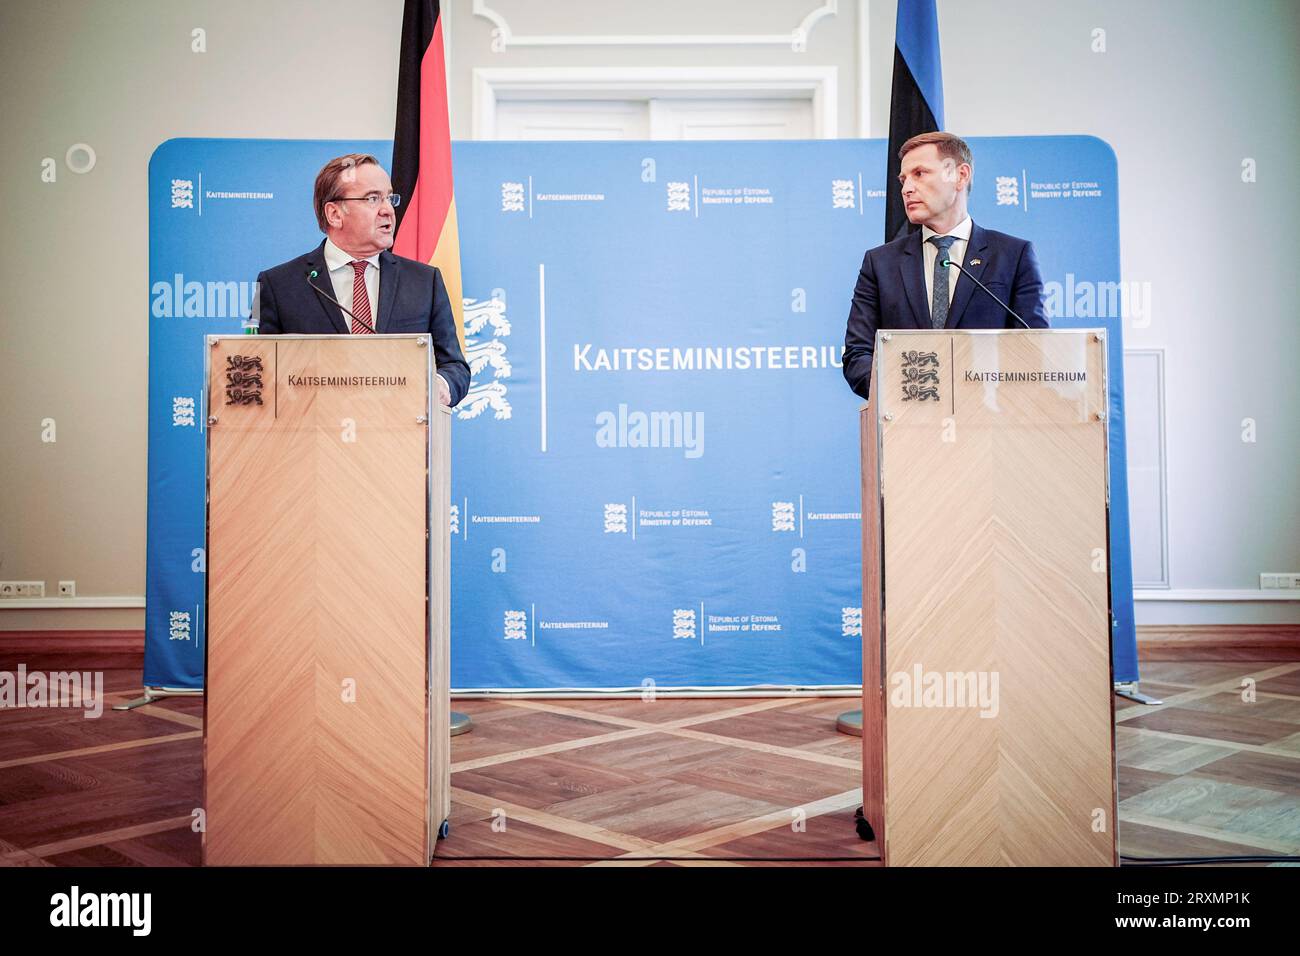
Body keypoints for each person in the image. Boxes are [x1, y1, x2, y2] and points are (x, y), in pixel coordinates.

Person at [251, 153, 470, 407]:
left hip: (399, 428)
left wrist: (440, 386)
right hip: (312, 428)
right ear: (334, 214)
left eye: (389, 198)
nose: (388, 210)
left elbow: (454, 366)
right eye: (373, 198)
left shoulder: (424, 281)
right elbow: (258, 372)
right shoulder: (277, 285)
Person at [842, 132, 1049, 400]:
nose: (906, 189)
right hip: (910, 417)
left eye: (920, 174)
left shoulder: (1012, 255)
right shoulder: (880, 263)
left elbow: (1034, 346)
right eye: (903, 180)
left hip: (991, 414)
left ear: (961, 175)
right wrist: (915, 390)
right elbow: (858, 355)